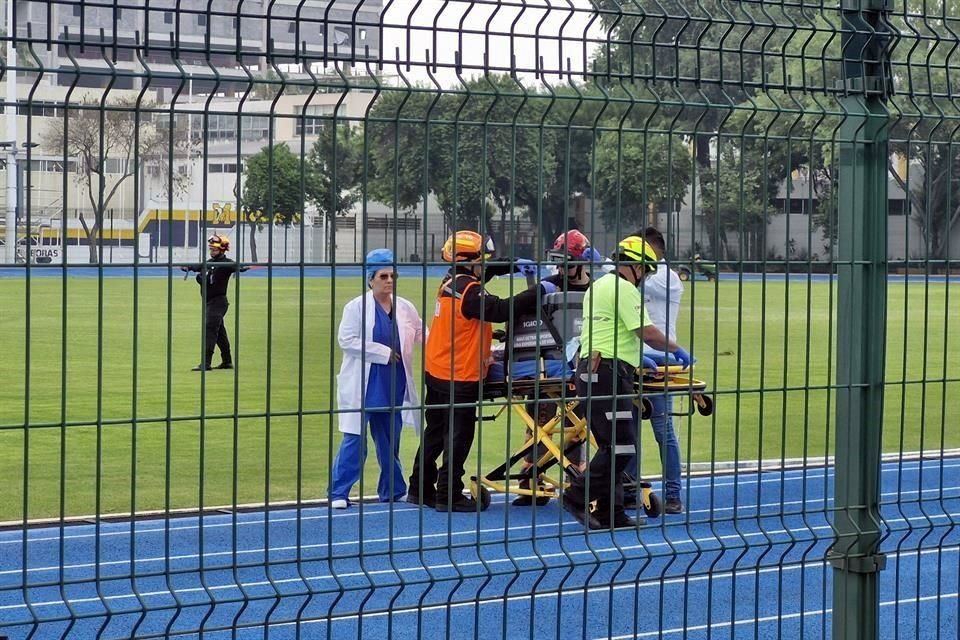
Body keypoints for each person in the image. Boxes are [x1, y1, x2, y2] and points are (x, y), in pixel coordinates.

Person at [409, 230, 553, 512]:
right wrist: (540, 289)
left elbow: (483, 279)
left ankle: (419, 488)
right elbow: (500, 309)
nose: (487, 264)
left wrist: (509, 265)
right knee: (459, 436)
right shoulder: (470, 291)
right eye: (483, 259)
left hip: (437, 368)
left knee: (436, 431)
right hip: (459, 373)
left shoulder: (453, 282)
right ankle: (449, 494)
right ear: (470, 260)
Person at [562, 235, 693, 530]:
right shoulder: (623, 289)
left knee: (616, 446)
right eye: (645, 270)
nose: (644, 277)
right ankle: (576, 495)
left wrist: (635, 359)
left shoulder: (600, 286)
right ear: (634, 266)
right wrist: (675, 348)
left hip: (598, 371)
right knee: (620, 446)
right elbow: (646, 332)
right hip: (606, 374)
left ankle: (613, 513)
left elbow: (610, 333)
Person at [328, 248, 426, 508]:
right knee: (355, 441)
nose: (389, 281)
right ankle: (339, 492)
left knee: (389, 442)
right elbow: (346, 340)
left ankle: (393, 490)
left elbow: (421, 332)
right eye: (383, 276)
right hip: (364, 384)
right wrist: (382, 352)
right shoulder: (356, 307)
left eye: (393, 275)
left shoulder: (405, 306)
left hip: (393, 384)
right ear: (370, 278)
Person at [510, 230, 601, 506]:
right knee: (539, 416)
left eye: (567, 262)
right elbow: (520, 318)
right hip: (548, 366)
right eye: (558, 262)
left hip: (587, 366)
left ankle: (579, 477)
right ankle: (530, 475)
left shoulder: (599, 292)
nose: (561, 268)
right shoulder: (548, 287)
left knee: (579, 423)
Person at [623, 227, 686, 514]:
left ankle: (673, 494)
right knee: (629, 429)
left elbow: (632, 282)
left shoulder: (666, 277)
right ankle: (631, 489)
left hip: (660, 359)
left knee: (663, 430)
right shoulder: (638, 278)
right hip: (632, 358)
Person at [181, 234, 248, 371]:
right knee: (219, 333)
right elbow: (199, 266)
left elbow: (235, 266)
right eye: (211, 249)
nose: (212, 252)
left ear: (222, 250)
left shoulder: (226, 263)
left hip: (218, 303)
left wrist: (240, 268)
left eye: (215, 250)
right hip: (210, 303)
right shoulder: (210, 262)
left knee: (210, 331)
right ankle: (227, 361)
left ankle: (206, 363)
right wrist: (189, 267)